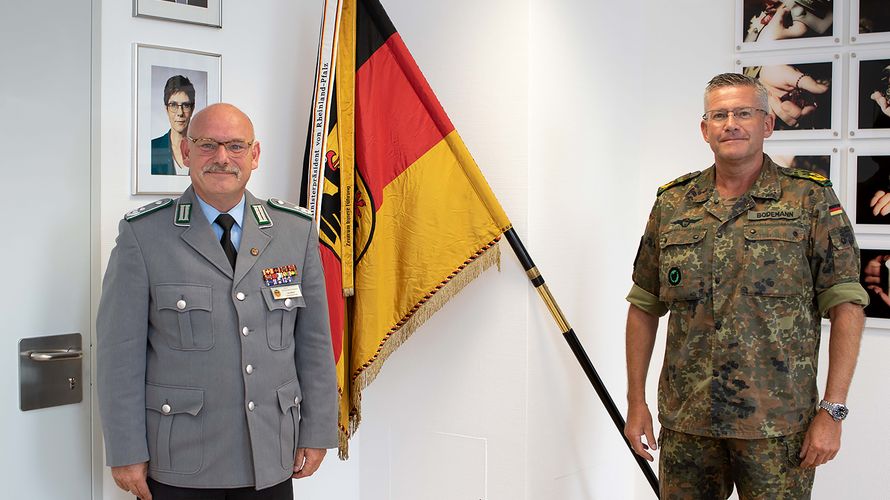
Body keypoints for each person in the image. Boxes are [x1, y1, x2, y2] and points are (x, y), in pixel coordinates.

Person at [624, 73, 868, 498]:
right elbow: (643, 306)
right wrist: (636, 402)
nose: (730, 124)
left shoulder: (808, 200)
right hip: (687, 423)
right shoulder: (673, 203)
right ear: (705, 129)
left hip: (777, 428)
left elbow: (846, 304)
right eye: (719, 115)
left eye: (743, 113)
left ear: (767, 124)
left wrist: (832, 410)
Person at [98, 103, 338, 500]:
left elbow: (314, 344)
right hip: (179, 460)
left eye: (235, 146)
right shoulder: (144, 236)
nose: (222, 158)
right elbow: (118, 355)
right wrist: (125, 450)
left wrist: (316, 430)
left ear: (255, 155)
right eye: (207, 145)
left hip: (270, 454)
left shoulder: (295, 232)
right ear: (185, 153)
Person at [152, 75, 196, 176]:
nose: (180, 113)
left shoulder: (203, 150)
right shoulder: (152, 149)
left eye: (185, 105)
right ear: (166, 109)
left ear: (192, 109)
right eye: (174, 105)